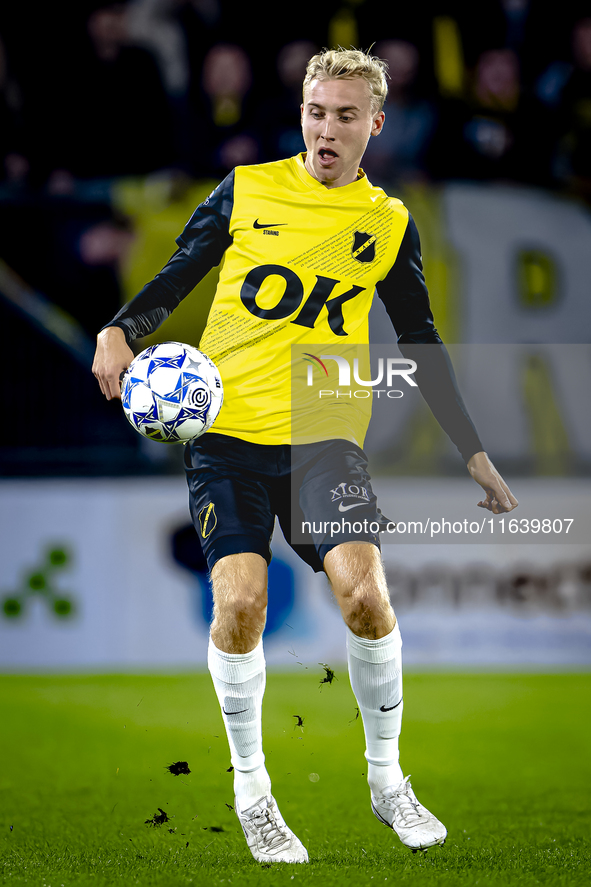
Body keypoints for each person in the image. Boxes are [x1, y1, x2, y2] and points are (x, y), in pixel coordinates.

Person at [93, 48, 518, 864]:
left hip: (325, 429)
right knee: (242, 605)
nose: (327, 129)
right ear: (302, 113)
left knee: (364, 595)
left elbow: (419, 338)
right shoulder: (248, 188)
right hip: (227, 433)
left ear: (374, 125)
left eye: (345, 116)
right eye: (316, 112)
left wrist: (471, 449)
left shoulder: (387, 222)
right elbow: (183, 267)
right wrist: (122, 328)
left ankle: (387, 781)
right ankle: (253, 793)